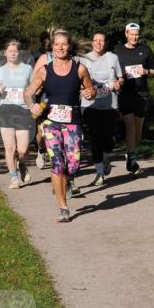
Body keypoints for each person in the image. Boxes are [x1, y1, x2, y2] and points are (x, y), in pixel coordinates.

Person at [24, 30, 95, 222]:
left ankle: (66, 180)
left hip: (73, 122)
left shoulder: (79, 69)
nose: (60, 47)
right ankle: (63, 207)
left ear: (70, 46)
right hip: (51, 122)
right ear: (52, 47)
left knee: (73, 165)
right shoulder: (44, 70)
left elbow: (90, 89)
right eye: (57, 45)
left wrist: (90, 93)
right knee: (57, 163)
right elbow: (28, 92)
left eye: (64, 44)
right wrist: (33, 105)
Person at [114, 22, 154, 174]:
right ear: (126, 34)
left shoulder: (145, 50)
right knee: (130, 126)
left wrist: (146, 71)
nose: (134, 37)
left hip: (142, 94)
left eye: (136, 34)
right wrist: (117, 79)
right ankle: (132, 160)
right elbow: (112, 69)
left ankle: (130, 152)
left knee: (138, 130)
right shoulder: (117, 50)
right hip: (125, 93)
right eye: (131, 34)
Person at [80, 32, 122, 187]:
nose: (98, 43)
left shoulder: (113, 57)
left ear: (106, 43)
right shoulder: (83, 59)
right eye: (95, 41)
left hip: (110, 104)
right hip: (89, 105)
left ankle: (106, 156)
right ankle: (99, 173)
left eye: (101, 41)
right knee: (96, 137)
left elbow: (120, 77)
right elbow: (78, 80)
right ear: (92, 43)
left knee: (109, 139)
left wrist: (118, 83)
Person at [0, 40, 34, 190]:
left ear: (19, 53)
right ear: (5, 53)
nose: (13, 53)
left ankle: (22, 163)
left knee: (23, 149)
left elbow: (34, 88)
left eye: (15, 51)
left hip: (22, 110)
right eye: (10, 51)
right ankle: (14, 177)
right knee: (9, 147)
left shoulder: (28, 69)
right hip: (5, 110)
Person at [31, 33, 52, 169]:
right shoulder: (36, 56)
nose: (47, 44)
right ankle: (40, 150)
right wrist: (35, 88)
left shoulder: (65, 56)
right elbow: (32, 75)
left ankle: (54, 151)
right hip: (41, 95)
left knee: (50, 126)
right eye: (45, 42)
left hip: (55, 96)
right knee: (40, 128)